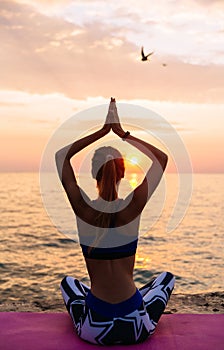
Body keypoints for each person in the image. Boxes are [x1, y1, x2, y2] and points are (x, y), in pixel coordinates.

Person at [55, 98, 175, 345]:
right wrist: (122, 134)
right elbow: (161, 159)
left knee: (68, 283)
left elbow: (61, 157)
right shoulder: (133, 206)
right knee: (166, 279)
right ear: (123, 173)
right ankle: (137, 300)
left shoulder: (82, 208)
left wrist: (102, 131)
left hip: (93, 330)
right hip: (136, 326)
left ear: (92, 174)